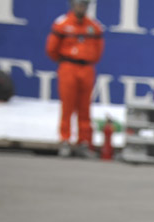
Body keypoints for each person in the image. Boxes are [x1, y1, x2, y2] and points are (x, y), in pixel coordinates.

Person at [46, 0, 105, 158]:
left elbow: (98, 51)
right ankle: (65, 140)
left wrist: (87, 59)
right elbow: (52, 49)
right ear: (72, 5)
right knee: (67, 106)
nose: (81, 8)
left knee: (85, 107)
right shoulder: (62, 24)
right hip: (68, 67)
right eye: (79, 4)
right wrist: (65, 60)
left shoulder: (94, 26)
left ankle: (84, 142)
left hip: (86, 68)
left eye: (84, 5)